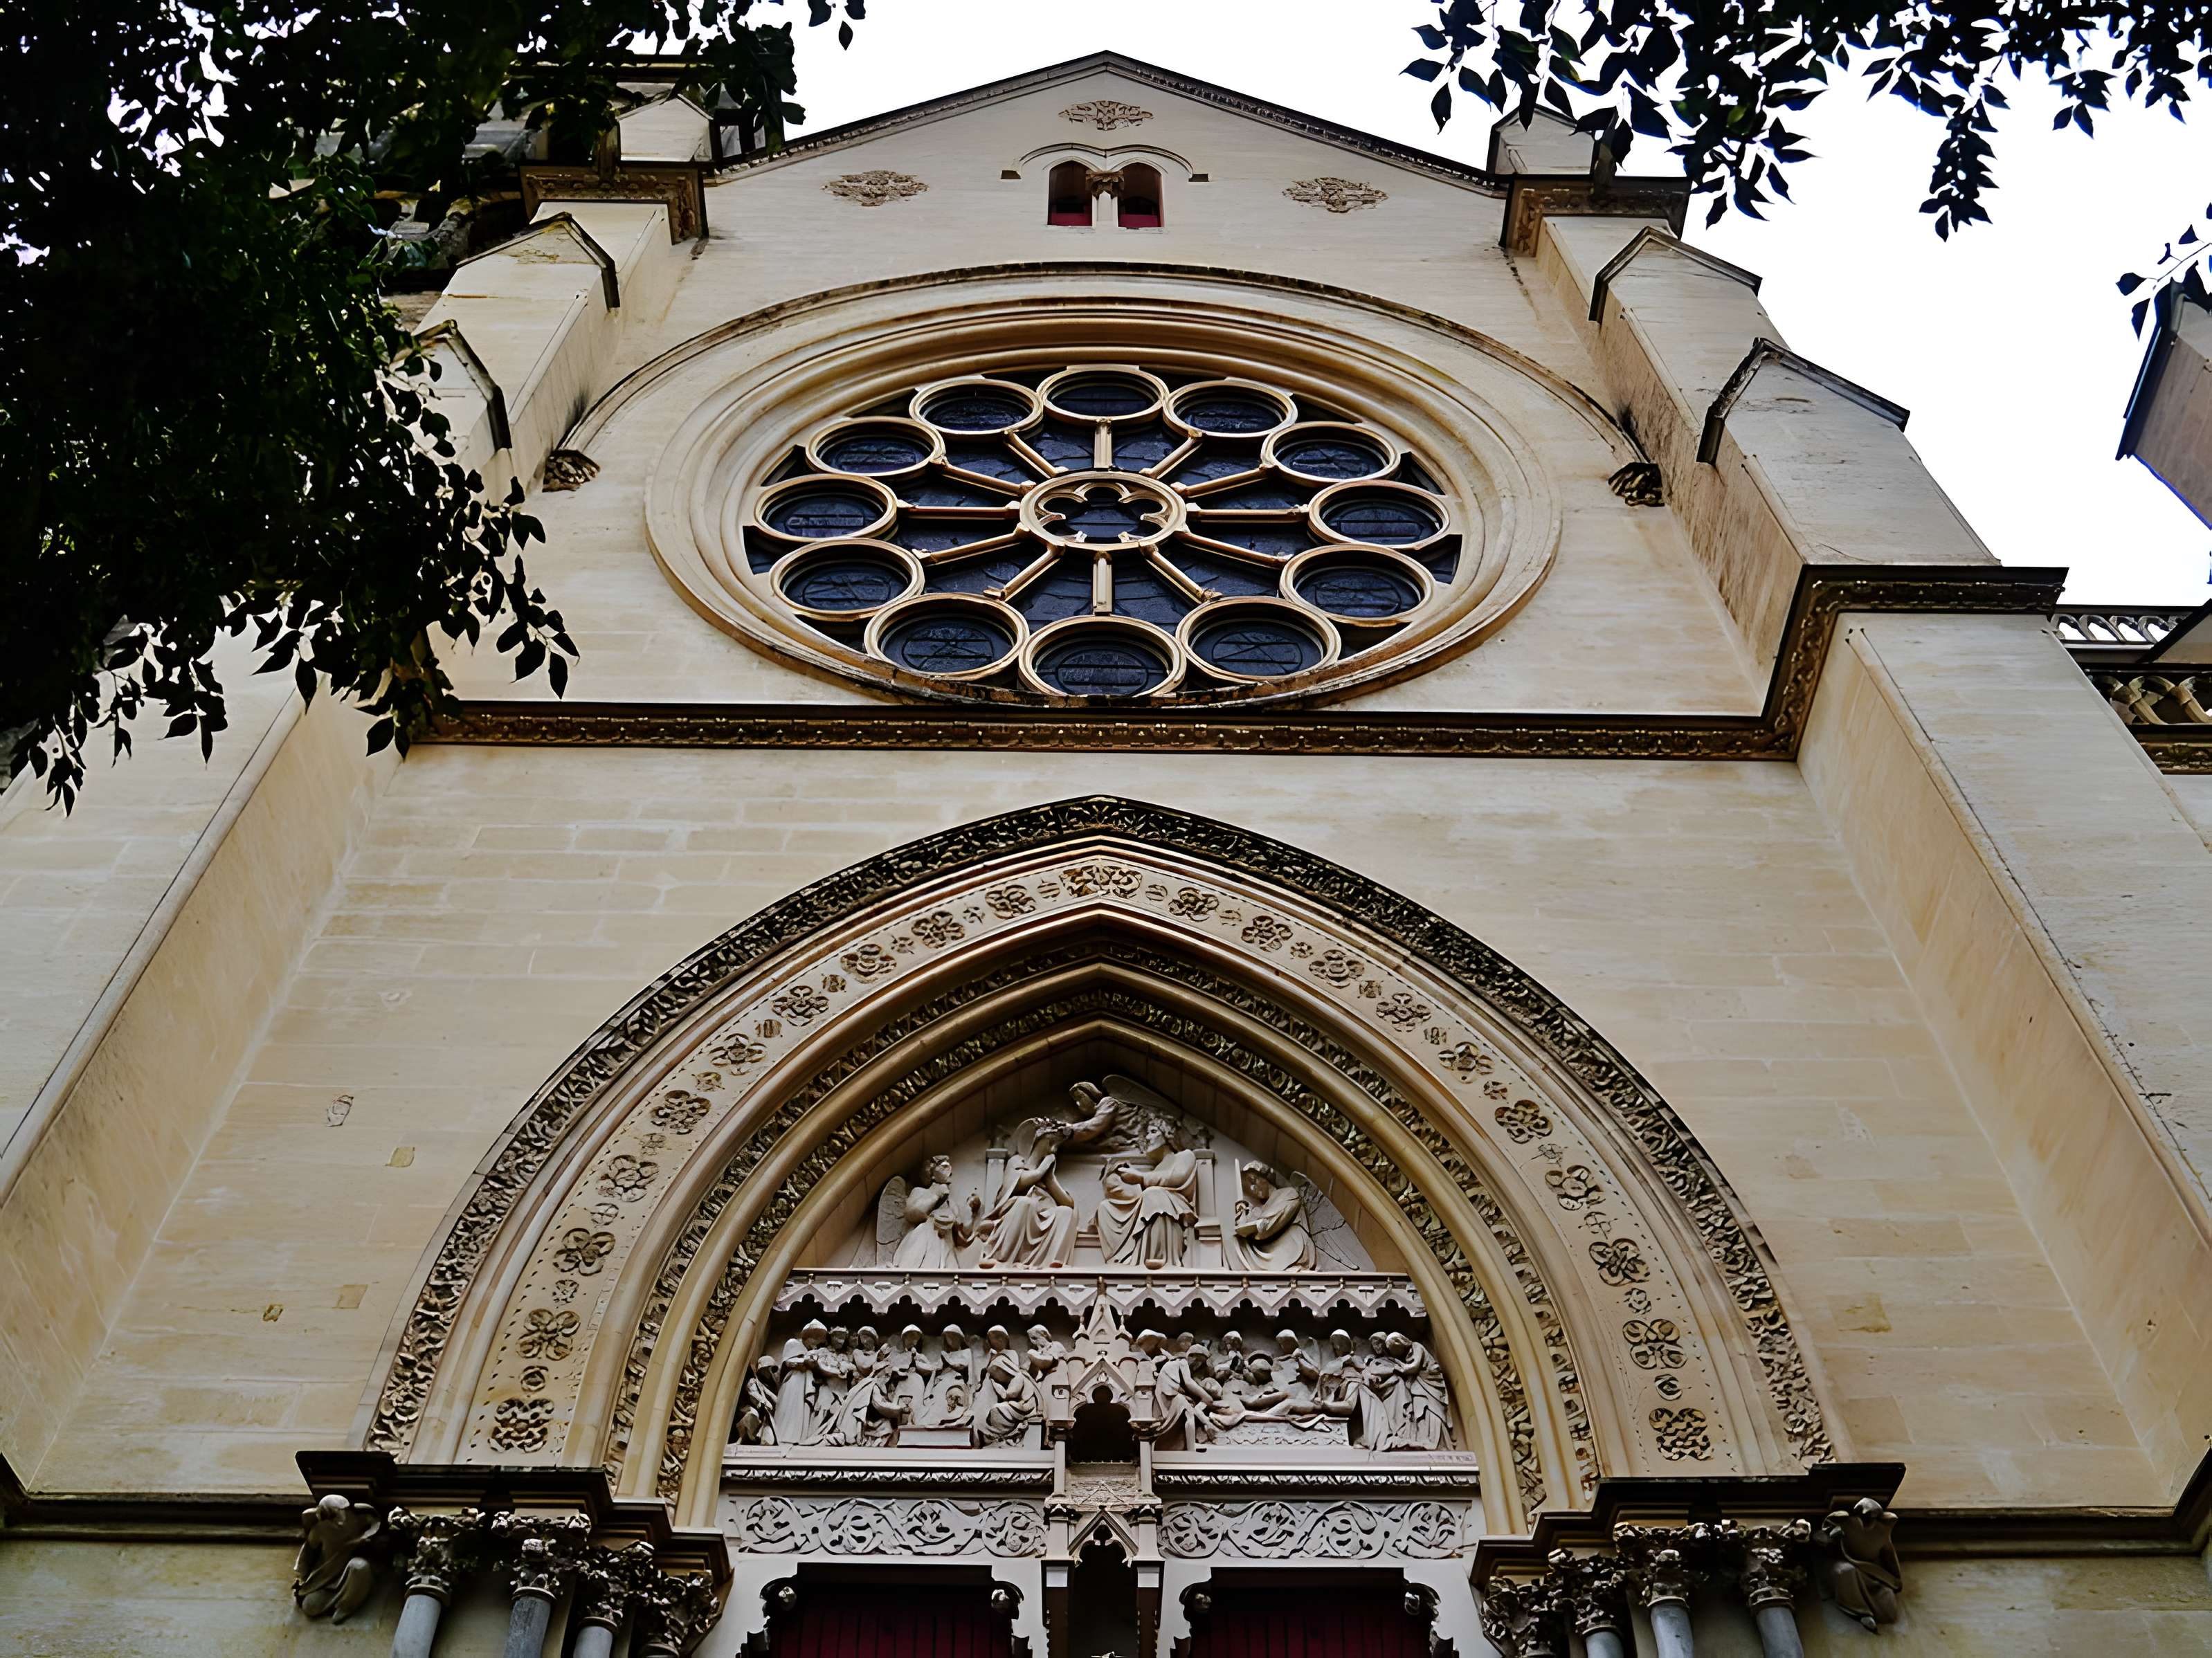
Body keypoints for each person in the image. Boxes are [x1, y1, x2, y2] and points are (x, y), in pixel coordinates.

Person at [1095, 1121, 1198, 1268]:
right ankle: (1122, 1258)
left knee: (1154, 1194)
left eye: (1153, 1132)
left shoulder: (1184, 1156)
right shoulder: (1158, 1168)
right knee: (1105, 1207)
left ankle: (1160, 1257)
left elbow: (1178, 1177)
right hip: (1151, 1202)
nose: (1148, 1137)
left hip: (1174, 1206)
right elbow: (1138, 1196)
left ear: (1167, 1136)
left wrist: (1141, 1178)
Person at [978, 1121, 1078, 1267]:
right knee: (1026, 1203)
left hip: (1045, 1212)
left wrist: (1050, 1179)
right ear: (1035, 1142)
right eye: (1050, 1142)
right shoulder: (1017, 1161)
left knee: (1065, 1212)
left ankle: (1053, 1261)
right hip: (1020, 1210)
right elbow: (1014, 1185)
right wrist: (1039, 1171)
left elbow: (1069, 1203)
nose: (1053, 1148)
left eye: (1056, 1145)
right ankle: (1001, 1259)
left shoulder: (1048, 1172)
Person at [891, 1155, 979, 1269]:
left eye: (949, 1168)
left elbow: (962, 1235)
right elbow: (911, 1213)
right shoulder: (920, 1192)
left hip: (946, 1247)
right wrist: (935, 1195)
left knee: (950, 1278)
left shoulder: (950, 1204)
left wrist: (971, 1211)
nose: (949, 1172)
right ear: (932, 1173)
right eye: (944, 1168)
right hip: (924, 1241)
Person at [1229, 1165, 1317, 1271]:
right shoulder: (1263, 1207)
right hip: (1272, 1246)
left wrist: (1258, 1225)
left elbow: (1269, 1225)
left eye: (1253, 1181)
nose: (1253, 1189)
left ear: (1265, 1177)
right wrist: (1243, 1212)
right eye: (1249, 1189)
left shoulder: (1288, 1193)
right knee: (1237, 1242)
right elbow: (1251, 1226)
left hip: (1292, 1245)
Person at [1385, 1332, 1449, 1450]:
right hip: (1418, 1387)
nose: (1395, 1352)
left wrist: (1395, 1365)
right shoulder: (1406, 1355)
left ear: (1400, 1343)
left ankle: (1438, 1440)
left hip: (1430, 1383)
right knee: (1420, 1410)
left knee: (1433, 1410)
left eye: (1394, 1349)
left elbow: (1414, 1367)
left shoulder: (1416, 1346)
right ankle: (1424, 1437)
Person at [976, 1347, 1044, 1446]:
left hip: (1028, 1407)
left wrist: (995, 1384)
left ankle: (997, 1435)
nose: (997, 1378)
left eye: (997, 1374)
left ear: (1004, 1369)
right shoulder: (1019, 1376)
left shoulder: (1018, 1376)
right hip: (1023, 1405)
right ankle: (995, 1434)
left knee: (999, 1409)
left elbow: (1009, 1394)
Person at [772, 1321, 826, 1444]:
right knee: (792, 1405)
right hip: (795, 1380)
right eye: (815, 1339)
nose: (817, 1343)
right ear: (808, 1337)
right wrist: (805, 1361)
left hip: (807, 1381)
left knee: (803, 1408)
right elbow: (788, 1362)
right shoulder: (793, 1343)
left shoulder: (812, 1351)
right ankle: (783, 1436)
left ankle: (800, 1437)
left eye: (819, 1340)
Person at [734, 1353, 780, 1446]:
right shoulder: (753, 1381)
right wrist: (764, 1401)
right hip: (750, 1408)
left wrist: (779, 1402)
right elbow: (753, 1393)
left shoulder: (770, 1384)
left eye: (771, 1369)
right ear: (762, 1370)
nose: (770, 1372)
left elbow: (773, 1397)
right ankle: (742, 1440)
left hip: (765, 1414)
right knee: (752, 1415)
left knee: (769, 1438)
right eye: (768, 1369)